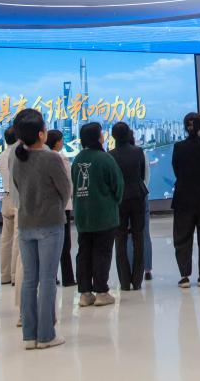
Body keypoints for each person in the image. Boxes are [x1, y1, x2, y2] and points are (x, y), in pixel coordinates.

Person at [10, 109, 71, 350]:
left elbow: (18, 186)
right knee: (47, 280)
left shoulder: (17, 158)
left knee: (29, 280)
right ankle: (46, 335)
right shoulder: (51, 158)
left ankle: (29, 335)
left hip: (26, 223)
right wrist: (55, 205)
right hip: (50, 223)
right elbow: (65, 189)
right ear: (40, 134)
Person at [71, 122, 122, 309]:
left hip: (83, 215)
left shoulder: (77, 159)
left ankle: (85, 294)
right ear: (98, 137)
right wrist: (114, 201)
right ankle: (101, 292)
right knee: (102, 252)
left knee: (84, 253)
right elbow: (118, 186)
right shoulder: (105, 158)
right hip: (104, 215)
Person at [171, 112, 200, 288]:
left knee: (182, 236)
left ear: (185, 127)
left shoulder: (178, 147)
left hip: (183, 197)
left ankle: (184, 276)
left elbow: (176, 170)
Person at [109, 122, 147, 291]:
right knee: (139, 237)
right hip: (138, 195)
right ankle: (137, 280)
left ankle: (124, 281)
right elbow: (141, 174)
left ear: (113, 136)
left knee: (120, 238)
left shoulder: (110, 155)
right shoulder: (138, 151)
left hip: (119, 199)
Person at [45, 130, 76, 287]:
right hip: (63, 205)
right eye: (62, 140)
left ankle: (51, 276)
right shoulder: (60, 158)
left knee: (50, 242)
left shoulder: (43, 157)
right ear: (57, 142)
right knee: (64, 243)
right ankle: (68, 278)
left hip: (48, 205)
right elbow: (68, 182)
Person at [0, 126, 18, 286]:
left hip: (6, 196)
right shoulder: (18, 155)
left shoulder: (1, 156)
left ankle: (5, 275)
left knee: (6, 239)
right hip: (18, 197)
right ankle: (15, 274)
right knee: (17, 238)